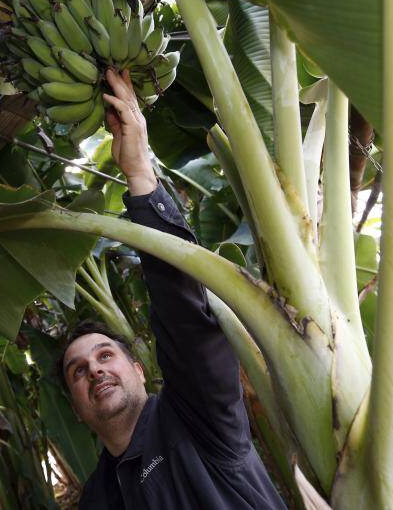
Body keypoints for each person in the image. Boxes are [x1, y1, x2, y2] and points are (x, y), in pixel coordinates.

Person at [57, 68, 286, 509]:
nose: (95, 371)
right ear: (76, 410)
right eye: (78, 372)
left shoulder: (196, 415)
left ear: (139, 370)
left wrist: (139, 172)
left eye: (105, 355)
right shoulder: (97, 501)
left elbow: (184, 318)